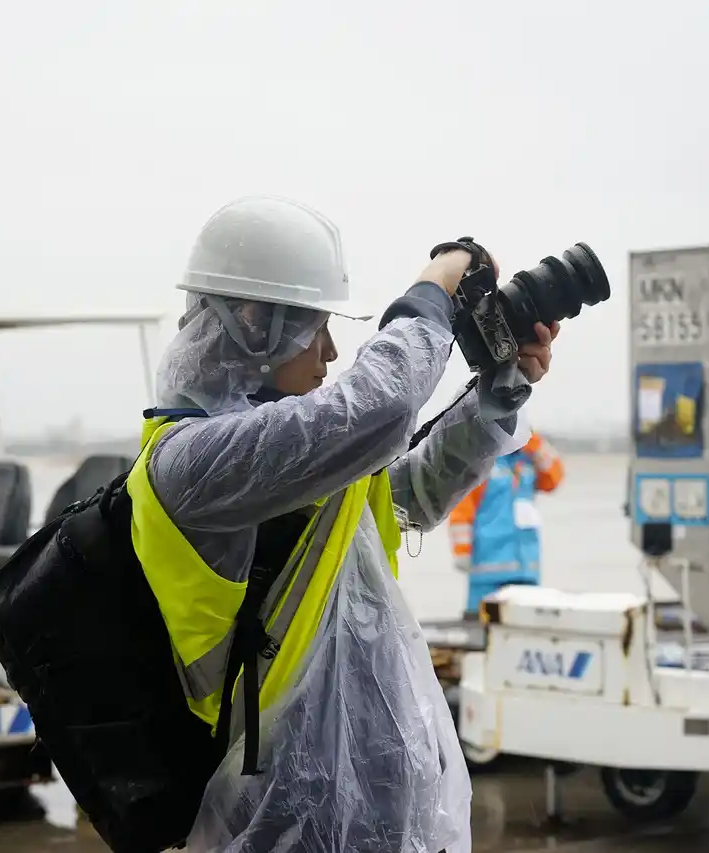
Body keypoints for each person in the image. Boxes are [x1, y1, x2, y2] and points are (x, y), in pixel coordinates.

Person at [130, 196, 559, 853]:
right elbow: (380, 407)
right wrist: (436, 287)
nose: (330, 350)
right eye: (315, 328)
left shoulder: (299, 468)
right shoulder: (193, 463)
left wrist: (502, 383)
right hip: (283, 819)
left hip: (368, 808)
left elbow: (412, 487)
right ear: (253, 324)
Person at [448, 431, 565, 617]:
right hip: (488, 568)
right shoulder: (481, 462)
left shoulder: (527, 462)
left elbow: (554, 477)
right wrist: (462, 550)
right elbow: (462, 508)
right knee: (481, 625)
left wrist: (532, 440)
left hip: (526, 569)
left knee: (525, 628)